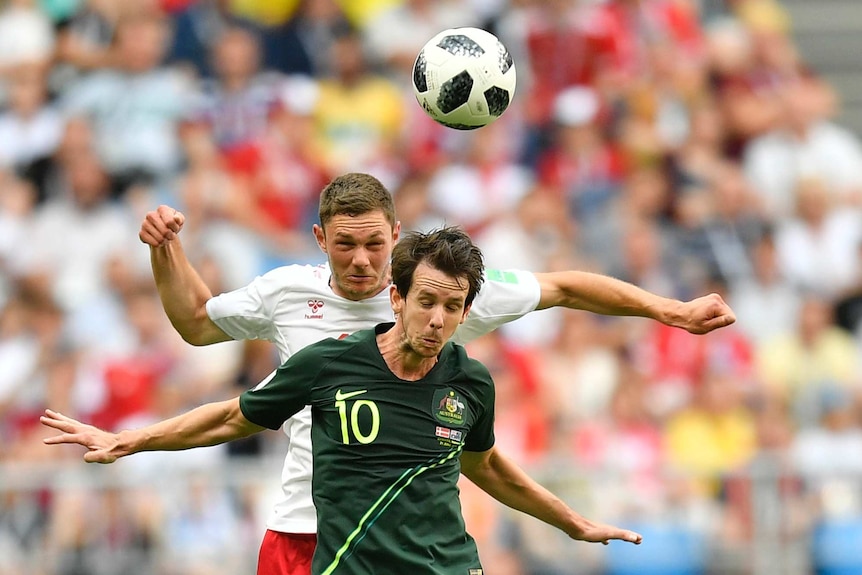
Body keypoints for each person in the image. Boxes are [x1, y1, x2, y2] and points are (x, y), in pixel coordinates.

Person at [137, 172, 735, 574]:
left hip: (410, 540)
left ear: (395, 235)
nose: (362, 259)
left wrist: (669, 309)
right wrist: (167, 251)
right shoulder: (286, 292)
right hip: (305, 529)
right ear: (320, 239)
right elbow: (195, 321)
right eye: (344, 244)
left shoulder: (437, 294)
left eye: (374, 242)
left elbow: (564, 287)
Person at [42, 227, 644, 574]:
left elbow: (485, 467)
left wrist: (571, 522)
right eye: (426, 302)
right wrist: (128, 440)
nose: (437, 320)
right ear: (398, 298)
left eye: (452, 308)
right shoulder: (327, 363)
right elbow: (232, 416)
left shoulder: (471, 381)